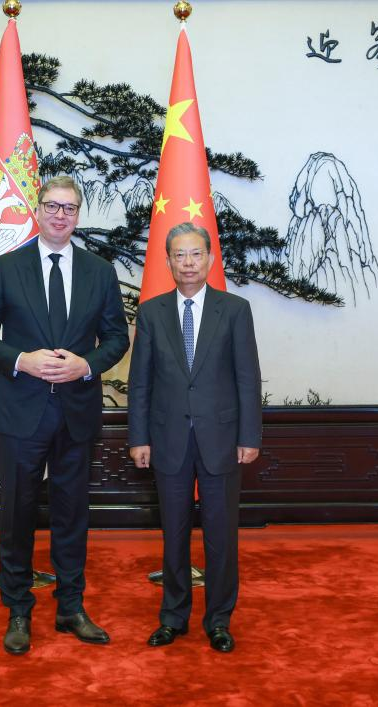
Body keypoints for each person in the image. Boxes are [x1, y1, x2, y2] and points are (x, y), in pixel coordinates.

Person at [0, 175, 130, 655]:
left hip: (76, 412)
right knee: (17, 514)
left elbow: (117, 338)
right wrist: (22, 360)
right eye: (53, 207)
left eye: (70, 208)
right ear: (38, 210)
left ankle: (70, 607)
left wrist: (88, 365)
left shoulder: (100, 271)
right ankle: (18, 609)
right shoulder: (6, 267)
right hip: (20, 412)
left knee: (72, 514)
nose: (61, 215)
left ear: (79, 215)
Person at [127, 222, 262, 653]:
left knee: (221, 535)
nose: (188, 262)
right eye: (179, 255)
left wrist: (249, 436)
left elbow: (247, 378)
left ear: (209, 259)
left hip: (222, 439)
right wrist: (138, 437)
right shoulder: (151, 312)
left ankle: (219, 619)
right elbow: (140, 383)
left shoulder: (235, 309)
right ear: (167, 261)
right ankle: (173, 617)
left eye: (196, 254)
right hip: (167, 439)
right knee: (174, 533)